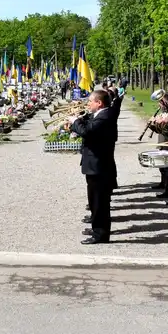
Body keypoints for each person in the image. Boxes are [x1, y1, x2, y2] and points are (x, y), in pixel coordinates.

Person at [70, 88, 123, 245]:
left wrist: (75, 122)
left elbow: (88, 131)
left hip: (99, 165)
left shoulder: (105, 117)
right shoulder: (100, 115)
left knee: (100, 202)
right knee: (94, 200)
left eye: (90, 102)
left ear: (99, 103)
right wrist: (77, 123)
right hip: (95, 165)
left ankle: (100, 234)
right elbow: (88, 127)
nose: (88, 104)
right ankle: (96, 227)